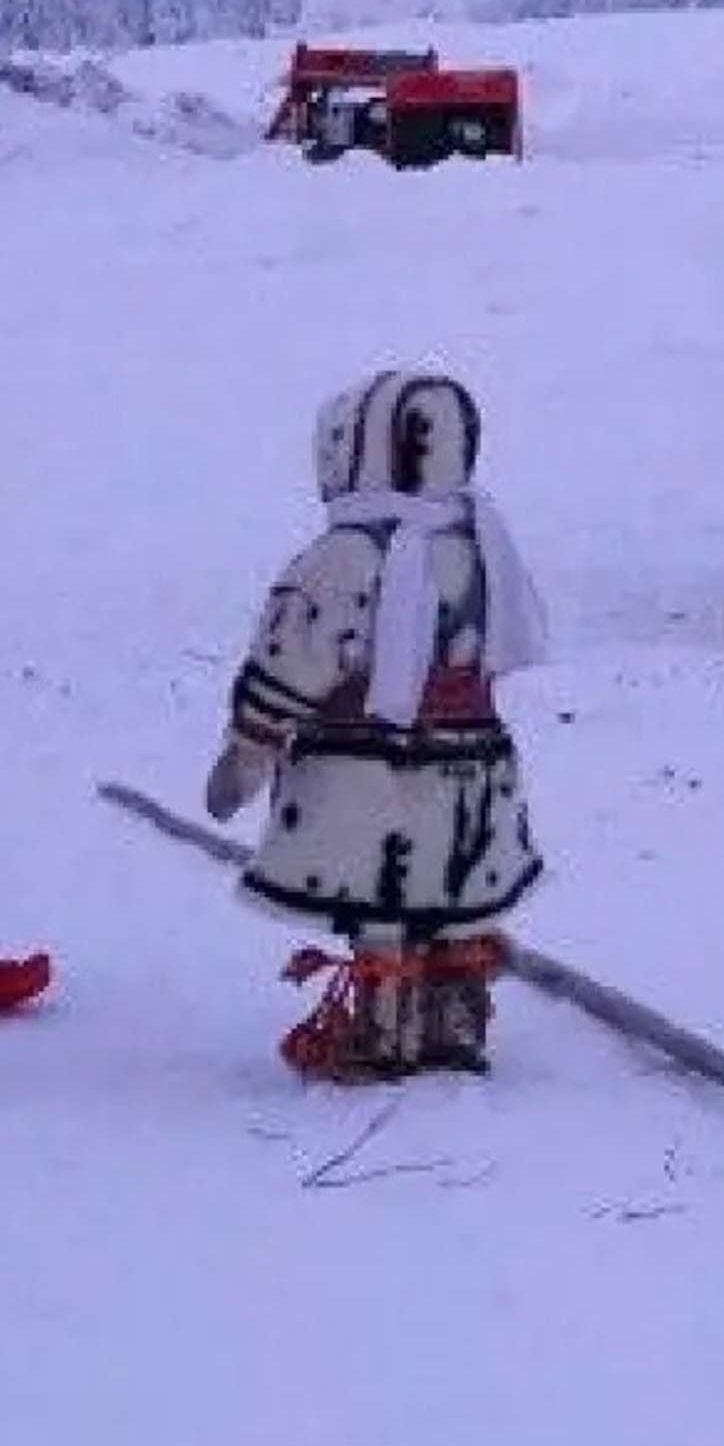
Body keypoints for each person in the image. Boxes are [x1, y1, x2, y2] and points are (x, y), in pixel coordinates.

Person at [204, 370, 549, 1079]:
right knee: (451, 898)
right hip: (474, 766)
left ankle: (382, 1034)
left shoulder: (351, 553)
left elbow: (298, 649)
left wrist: (251, 742)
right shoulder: (485, 543)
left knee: (386, 899)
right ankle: (454, 1022)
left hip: (370, 767)